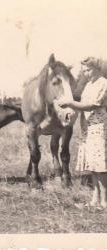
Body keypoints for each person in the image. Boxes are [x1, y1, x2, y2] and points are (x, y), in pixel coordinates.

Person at [57, 57, 107, 209]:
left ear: (98, 68)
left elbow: (92, 105)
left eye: (89, 70)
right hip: (87, 127)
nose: (86, 74)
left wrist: (70, 103)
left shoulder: (104, 83)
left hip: (99, 126)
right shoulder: (88, 85)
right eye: (84, 71)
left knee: (101, 165)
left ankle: (104, 202)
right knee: (92, 164)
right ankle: (94, 199)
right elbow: (81, 104)